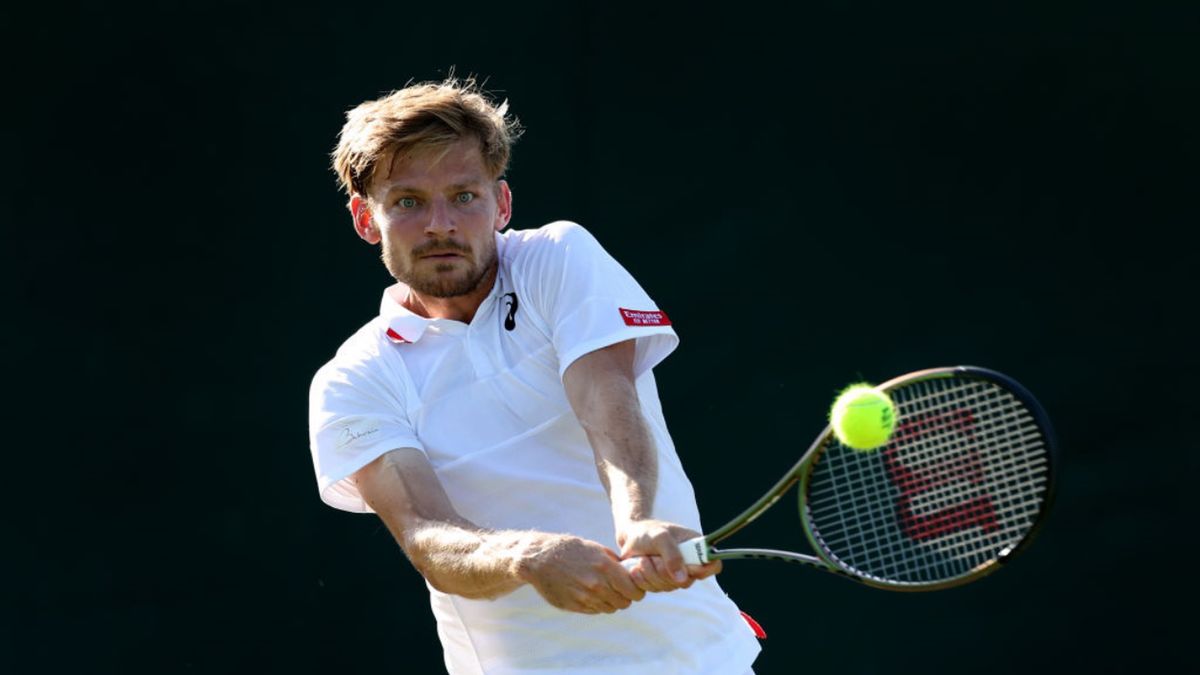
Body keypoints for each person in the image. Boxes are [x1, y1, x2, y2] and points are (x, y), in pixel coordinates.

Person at [308, 76, 761, 674]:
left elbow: (605, 394)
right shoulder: (352, 381)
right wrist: (528, 555)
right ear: (367, 219)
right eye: (409, 201)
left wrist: (637, 519)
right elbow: (427, 536)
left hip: (702, 663)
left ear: (502, 204)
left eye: (464, 196)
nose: (440, 223)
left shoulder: (558, 256)